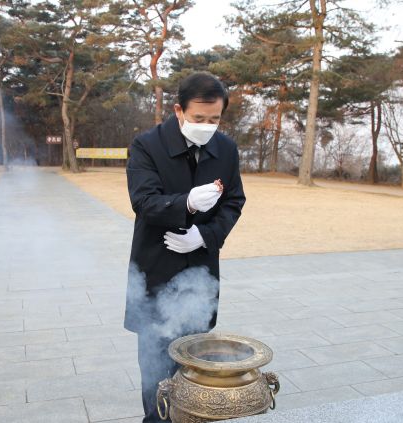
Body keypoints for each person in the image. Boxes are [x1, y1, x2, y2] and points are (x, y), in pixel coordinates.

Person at [124, 72, 246, 423]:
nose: (207, 126)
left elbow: (234, 201)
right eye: (198, 118)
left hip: (199, 277)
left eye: (214, 119)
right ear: (179, 110)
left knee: (194, 369)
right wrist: (187, 203)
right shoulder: (147, 145)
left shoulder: (226, 149)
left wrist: (205, 236)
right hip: (155, 274)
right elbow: (143, 201)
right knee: (156, 373)